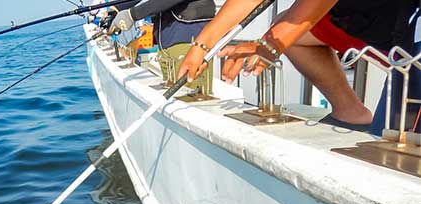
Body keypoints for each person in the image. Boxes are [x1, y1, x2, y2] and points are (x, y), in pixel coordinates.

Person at [176, 0, 420, 131]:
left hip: (411, 33)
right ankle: (351, 114)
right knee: (286, 26)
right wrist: (201, 46)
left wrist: (271, 44)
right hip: (380, 25)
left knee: (393, 148)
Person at [107, 0, 217, 94]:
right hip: (168, 45)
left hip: (189, 44)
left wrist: (132, 15)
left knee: (188, 102)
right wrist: (117, 8)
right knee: (173, 100)